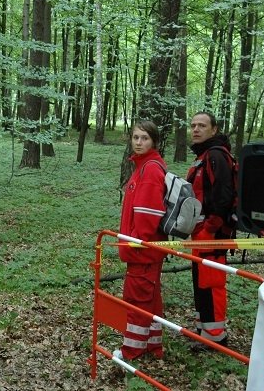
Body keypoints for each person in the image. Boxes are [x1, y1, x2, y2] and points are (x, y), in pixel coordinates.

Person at [114, 120, 167, 360]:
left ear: (154, 141)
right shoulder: (143, 166)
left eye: (144, 138)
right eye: (135, 137)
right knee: (151, 299)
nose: (138, 142)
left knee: (137, 299)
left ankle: (131, 350)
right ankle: (152, 345)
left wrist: (134, 245)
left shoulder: (150, 169)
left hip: (142, 251)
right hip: (146, 251)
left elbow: (148, 217)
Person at [186, 111, 234, 349]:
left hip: (212, 232)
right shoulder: (203, 155)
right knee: (200, 281)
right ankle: (202, 329)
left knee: (211, 282)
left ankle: (216, 337)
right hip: (200, 231)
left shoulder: (216, 155)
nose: (196, 129)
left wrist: (211, 227)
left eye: (202, 125)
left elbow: (224, 195)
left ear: (214, 130)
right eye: (193, 125)